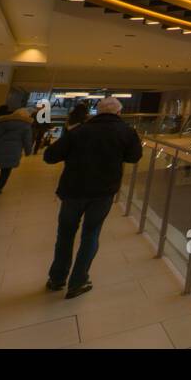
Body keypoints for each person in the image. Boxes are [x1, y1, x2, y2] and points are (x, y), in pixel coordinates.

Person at [42, 96, 142, 298]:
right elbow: (133, 157)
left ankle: (57, 278)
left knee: (65, 235)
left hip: (73, 190)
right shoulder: (126, 132)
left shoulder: (79, 131)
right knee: (91, 234)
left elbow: (50, 156)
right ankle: (78, 281)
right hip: (103, 192)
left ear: (97, 111)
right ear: (118, 113)